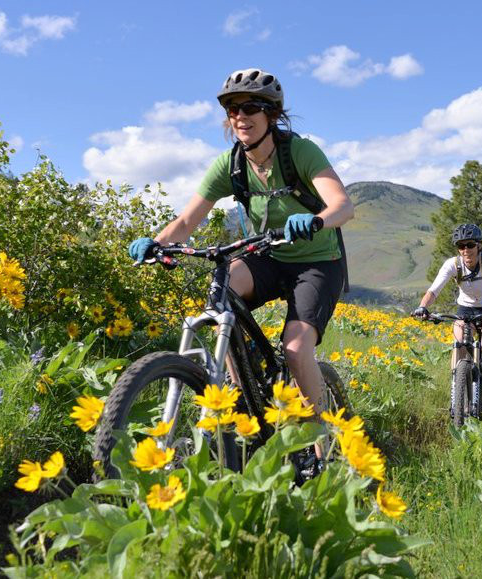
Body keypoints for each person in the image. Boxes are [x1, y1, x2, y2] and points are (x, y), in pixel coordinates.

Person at [128, 68, 353, 419]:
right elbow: (186, 222)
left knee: (295, 349)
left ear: (272, 114)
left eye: (250, 108)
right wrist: (156, 243)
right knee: (222, 296)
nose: (240, 117)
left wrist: (316, 220)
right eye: (233, 109)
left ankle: (317, 435)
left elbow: (342, 205)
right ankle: (245, 393)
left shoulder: (300, 152)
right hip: (269, 256)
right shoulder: (231, 164)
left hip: (317, 261)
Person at [412, 223, 482, 404]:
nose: (465, 250)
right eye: (461, 246)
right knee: (460, 345)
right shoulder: (453, 264)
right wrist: (422, 307)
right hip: (465, 310)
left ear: (479, 245)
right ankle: (458, 387)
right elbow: (433, 291)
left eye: (470, 245)